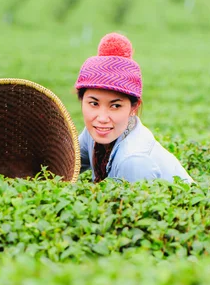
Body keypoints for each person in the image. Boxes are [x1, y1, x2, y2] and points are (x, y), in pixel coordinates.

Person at [75, 32, 193, 184]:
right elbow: (63, 164)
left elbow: (122, 206)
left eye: (115, 106)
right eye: (94, 104)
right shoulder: (93, 134)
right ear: (82, 100)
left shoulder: (133, 162)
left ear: (133, 108)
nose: (102, 118)